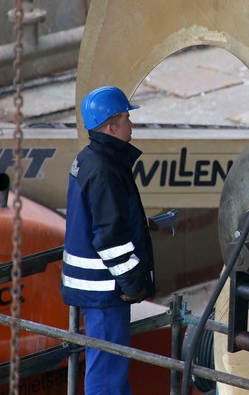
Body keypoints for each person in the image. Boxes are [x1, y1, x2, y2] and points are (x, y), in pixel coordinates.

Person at [61, 86, 155, 394]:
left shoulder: (91, 159)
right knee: (107, 372)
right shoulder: (104, 170)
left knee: (110, 369)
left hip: (97, 288)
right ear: (111, 126)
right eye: (126, 118)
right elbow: (110, 236)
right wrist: (133, 283)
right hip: (105, 290)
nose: (131, 125)